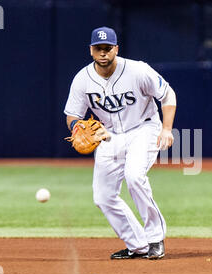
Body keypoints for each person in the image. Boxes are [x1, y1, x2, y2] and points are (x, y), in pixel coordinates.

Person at [64, 26, 177, 260]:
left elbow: (167, 95)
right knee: (103, 197)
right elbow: (72, 115)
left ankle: (155, 238)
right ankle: (138, 245)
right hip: (109, 135)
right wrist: (77, 127)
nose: (103, 52)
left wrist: (166, 129)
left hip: (143, 128)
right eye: (98, 48)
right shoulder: (82, 79)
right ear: (91, 50)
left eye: (107, 48)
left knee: (135, 177)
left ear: (116, 48)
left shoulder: (138, 70)